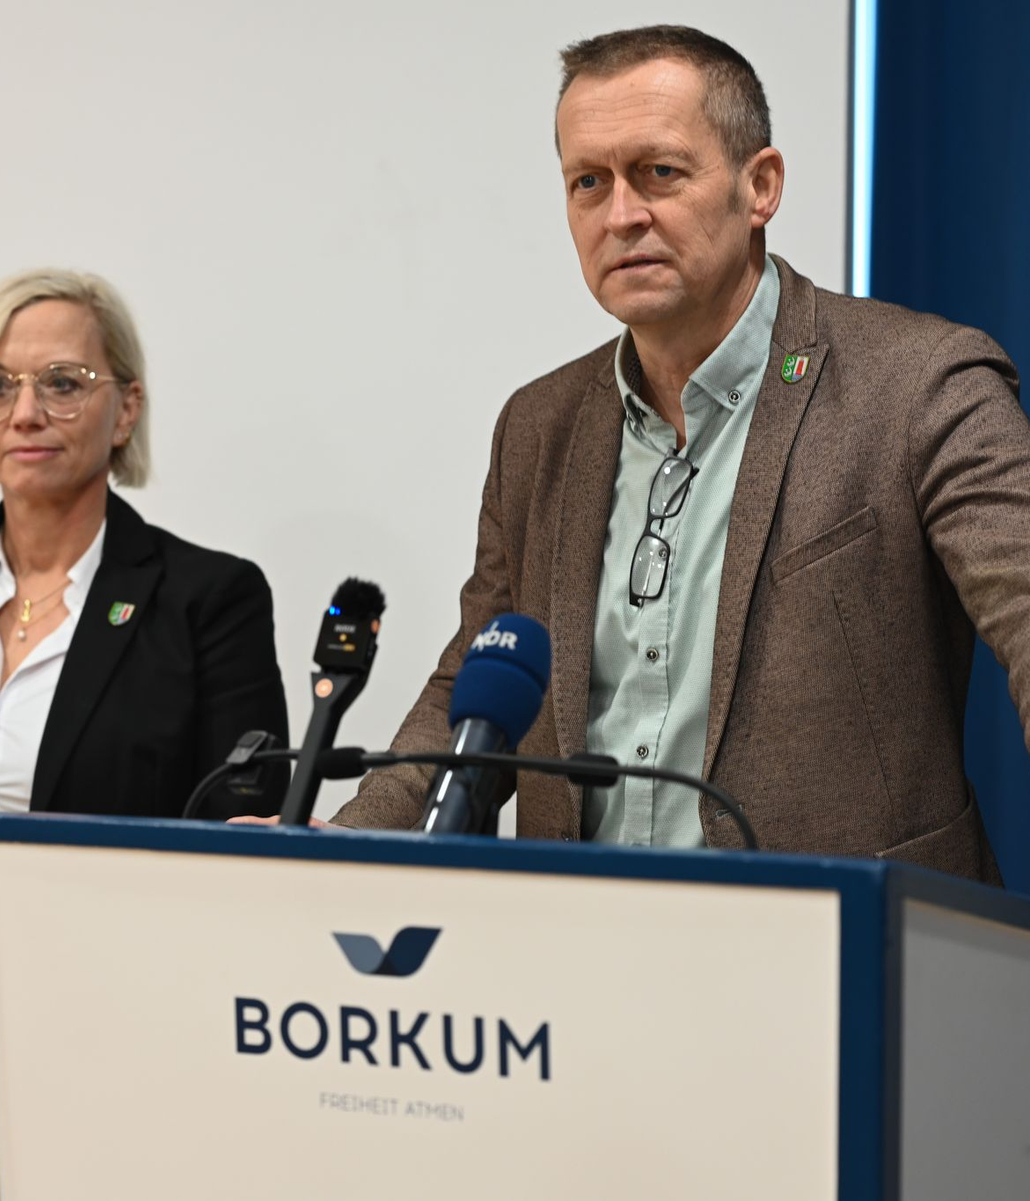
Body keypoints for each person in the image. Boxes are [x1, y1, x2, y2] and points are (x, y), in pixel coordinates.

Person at [327, 25, 1026, 880]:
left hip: (847, 957)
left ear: (759, 185)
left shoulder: (918, 383)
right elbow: (475, 686)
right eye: (589, 182)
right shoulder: (538, 426)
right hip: (576, 959)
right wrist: (340, 847)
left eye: (658, 172)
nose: (622, 214)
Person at [0, 269, 288, 1197]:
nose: (26, 410)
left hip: (112, 1089)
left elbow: (232, 866)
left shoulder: (211, 602)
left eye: (63, 382)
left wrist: (74, 1073)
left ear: (125, 410)